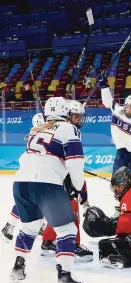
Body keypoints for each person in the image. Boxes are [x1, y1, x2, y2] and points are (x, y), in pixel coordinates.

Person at [9, 97, 88, 283]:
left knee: (29, 227)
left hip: (21, 184)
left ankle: (17, 269)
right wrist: (78, 187)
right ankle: (65, 279)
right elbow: (75, 163)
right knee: (67, 230)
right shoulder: (69, 129)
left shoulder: (37, 130)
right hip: (46, 184)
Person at [41, 100, 93, 262]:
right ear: (67, 115)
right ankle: (72, 244)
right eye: (75, 116)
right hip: (60, 176)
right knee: (71, 207)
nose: (78, 120)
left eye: (79, 116)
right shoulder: (68, 129)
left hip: (47, 174)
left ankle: (48, 241)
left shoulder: (53, 127)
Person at [1, 113, 46, 241]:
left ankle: (10, 225)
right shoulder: (41, 136)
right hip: (33, 175)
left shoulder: (34, 134)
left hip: (29, 174)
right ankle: (40, 225)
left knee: (28, 201)